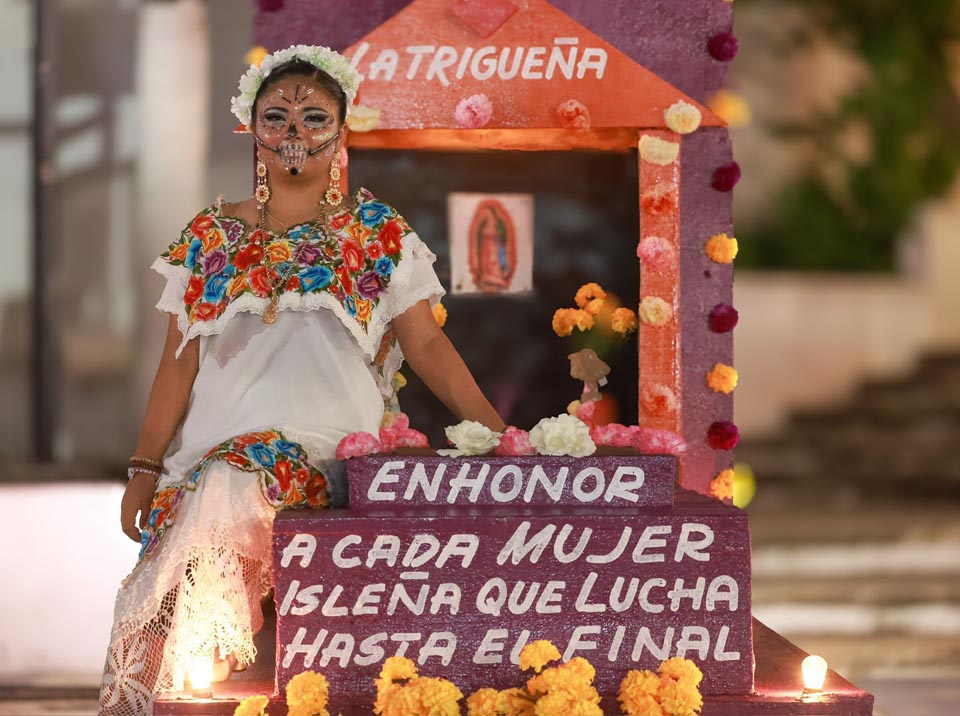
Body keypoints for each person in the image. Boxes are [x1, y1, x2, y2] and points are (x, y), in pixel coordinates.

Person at [98, 44, 505, 716]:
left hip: (326, 451)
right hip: (206, 457)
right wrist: (145, 466)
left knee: (236, 475)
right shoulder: (209, 236)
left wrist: (500, 435)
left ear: (342, 132)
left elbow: (427, 344)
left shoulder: (376, 233)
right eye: (277, 117)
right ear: (251, 128)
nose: (294, 133)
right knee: (173, 580)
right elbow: (178, 362)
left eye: (313, 118)